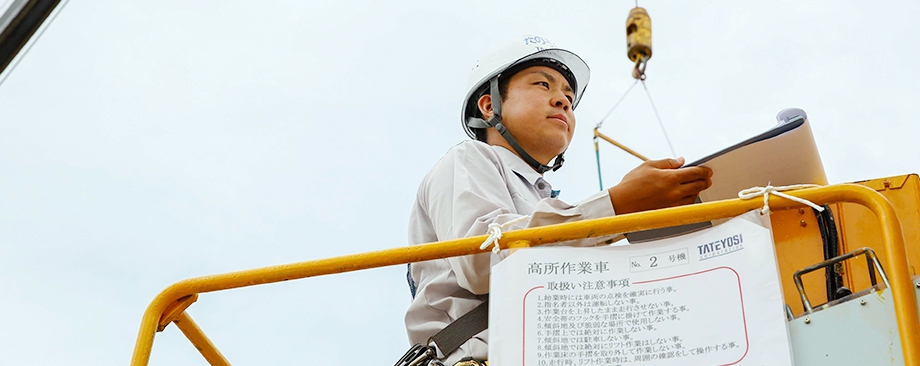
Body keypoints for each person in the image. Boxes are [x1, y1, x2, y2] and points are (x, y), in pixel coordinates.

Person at [403, 35, 712, 365]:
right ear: (490, 106)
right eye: (542, 84)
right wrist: (617, 207)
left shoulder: (545, 202)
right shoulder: (468, 159)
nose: (563, 101)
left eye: (568, 95)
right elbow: (482, 264)